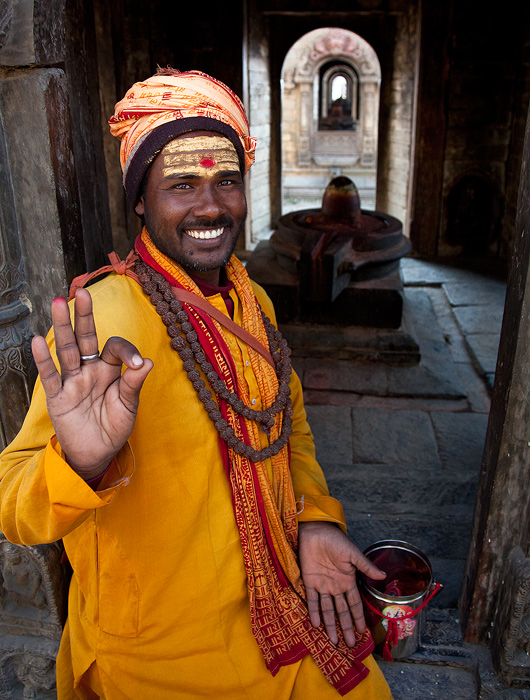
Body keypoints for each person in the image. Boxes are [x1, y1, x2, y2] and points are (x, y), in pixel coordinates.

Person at [0, 68, 393, 700]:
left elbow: (287, 430)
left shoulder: (251, 299)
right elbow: (13, 504)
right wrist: (82, 460)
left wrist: (315, 521)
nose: (210, 206)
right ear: (139, 199)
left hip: (279, 609)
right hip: (159, 653)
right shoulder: (102, 321)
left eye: (227, 181)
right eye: (181, 184)